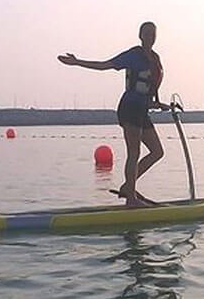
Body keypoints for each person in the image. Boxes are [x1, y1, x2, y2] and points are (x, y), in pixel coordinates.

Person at [58, 22, 168, 207]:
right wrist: (77, 62)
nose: (150, 36)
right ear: (140, 35)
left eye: (153, 33)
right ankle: (131, 200)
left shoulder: (155, 59)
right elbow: (104, 65)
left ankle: (127, 187)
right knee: (134, 152)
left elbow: (148, 89)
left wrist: (158, 104)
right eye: (147, 33)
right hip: (129, 108)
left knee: (157, 152)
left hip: (142, 109)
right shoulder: (133, 55)